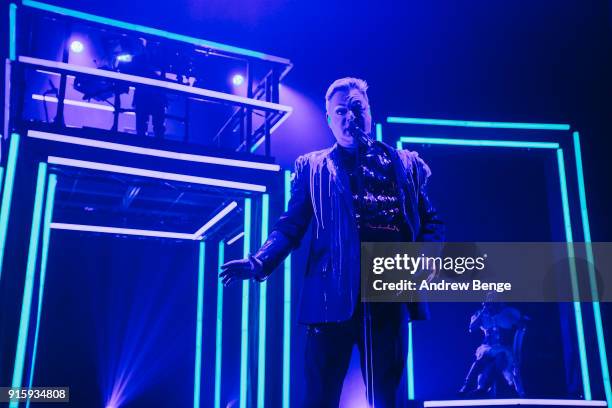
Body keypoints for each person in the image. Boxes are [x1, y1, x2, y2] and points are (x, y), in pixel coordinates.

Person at [220, 77, 444, 407]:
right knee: (319, 399)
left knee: (388, 398)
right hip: (328, 298)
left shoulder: (406, 165)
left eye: (357, 108)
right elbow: (290, 226)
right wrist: (258, 261)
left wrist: (423, 261)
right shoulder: (312, 168)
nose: (349, 117)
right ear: (328, 119)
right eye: (340, 111)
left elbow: (433, 222)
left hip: (388, 296)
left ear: (370, 112)